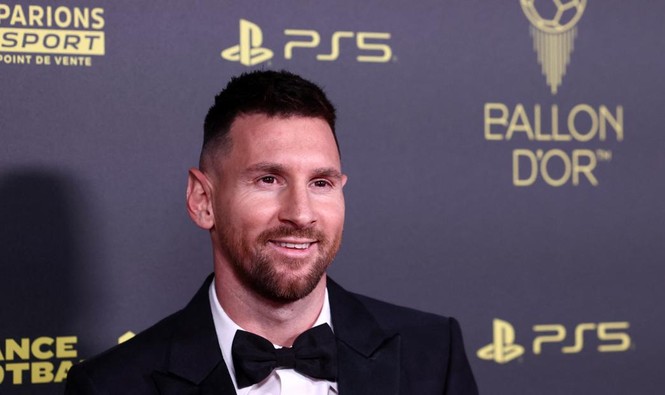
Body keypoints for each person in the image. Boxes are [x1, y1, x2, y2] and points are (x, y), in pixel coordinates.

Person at [65, 70, 479, 394]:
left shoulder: (432, 353)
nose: (301, 214)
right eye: (268, 179)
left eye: (321, 183)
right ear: (203, 200)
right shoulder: (112, 386)